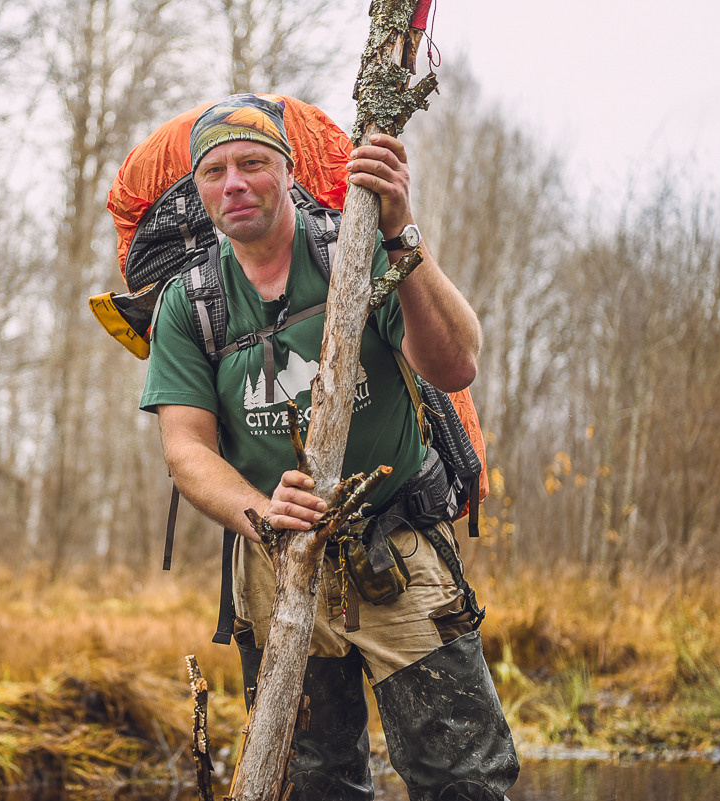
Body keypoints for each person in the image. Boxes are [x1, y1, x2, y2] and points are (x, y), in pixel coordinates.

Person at [139, 94, 519, 801]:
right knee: (314, 783)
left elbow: (456, 364)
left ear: (288, 172)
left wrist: (402, 232)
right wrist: (260, 511)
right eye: (215, 171)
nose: (235, 183)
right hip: (276, 566)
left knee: (462, 778)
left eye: (253, 163)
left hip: (397, 545)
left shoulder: (353, 246)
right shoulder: (190, 303)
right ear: (198, 189)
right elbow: (186, 448)